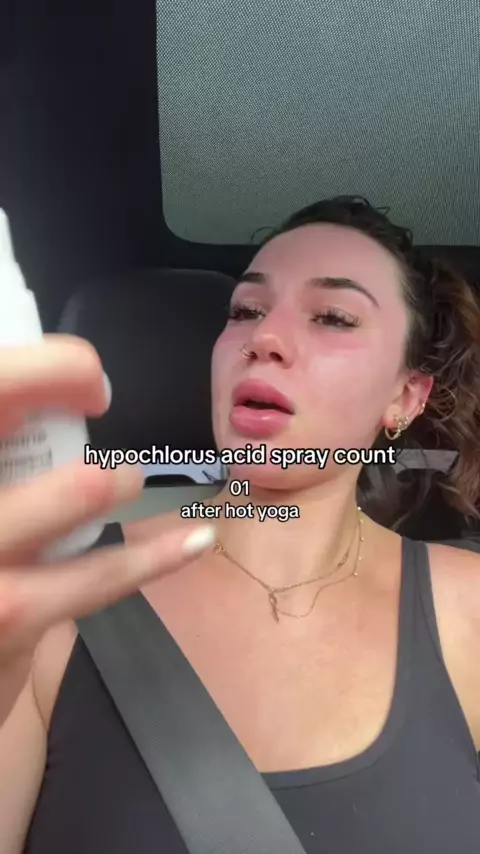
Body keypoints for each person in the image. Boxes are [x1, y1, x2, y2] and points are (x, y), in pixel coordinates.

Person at [1, 197, 480, 854]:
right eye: (246, 311)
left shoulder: (470, 608)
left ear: (405, 396)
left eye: (333, 317)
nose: (264, 338)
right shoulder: (42, 606)